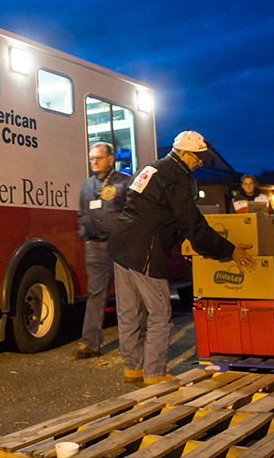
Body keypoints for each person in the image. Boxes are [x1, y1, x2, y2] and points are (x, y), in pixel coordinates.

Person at [107, 130, 255, 385]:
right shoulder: (176, 177)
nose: (200, 163)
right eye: (197, 158)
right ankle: (154, 374)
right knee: (159, 312)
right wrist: (230, 250)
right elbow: (194, 226)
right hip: (145, 251)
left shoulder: (150, 168)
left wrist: (182, 241)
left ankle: (133, 368)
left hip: (121, 246)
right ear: (183, 153)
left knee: (128, 312)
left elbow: (152, 211)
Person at [75, 142, 133, 359]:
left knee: (128, 296)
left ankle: (136, 341)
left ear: (111, 159)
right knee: (95, 296)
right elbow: (81, 214)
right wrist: (85, 237)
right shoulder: (87, 186)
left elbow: (133, 212)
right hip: (96, 248)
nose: (94, 162)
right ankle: (90, 344)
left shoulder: (124, 183)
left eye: (98, 158)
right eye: (92, 158)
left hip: (121, 247)